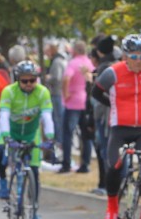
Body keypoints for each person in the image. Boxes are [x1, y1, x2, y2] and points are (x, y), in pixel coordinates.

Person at [92, 34, 141, 219]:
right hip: (119, 128)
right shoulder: (112, 73)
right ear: (125, 56)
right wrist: (112, 103)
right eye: (135, 57)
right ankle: (112, 207)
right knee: (114, 166)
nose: (140, 61)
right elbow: (95, 92)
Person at [0, 61, 54, 219]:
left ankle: (34, 212)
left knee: (34, 172)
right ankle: (3, 183)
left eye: (32, 80)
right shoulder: (9, 92)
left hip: (30, 133)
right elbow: (4, 116)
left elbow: (47, 117)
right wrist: (6, 137)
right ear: (17, 80)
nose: (29, 84)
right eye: (24, 81)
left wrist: (50, 138)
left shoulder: (43, 93)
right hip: (10, 132)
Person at [89, 35, 117, 195]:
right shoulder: (117, 63)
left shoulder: (104, 68)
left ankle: (109, 186)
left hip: (105, 115)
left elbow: (97, 95)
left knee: (106, 151)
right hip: (114, 114)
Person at [61, 40, 92, 173]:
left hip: (73, 102)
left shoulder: (73, 63)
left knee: (68, 133)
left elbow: (66, 78)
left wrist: (66, 93)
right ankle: (85, 164)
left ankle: (66, 163)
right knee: (86, 135)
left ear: (74, 50)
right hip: (85, 101)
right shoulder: (89, 62)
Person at [44, 41, 67, 162]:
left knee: (57, 121)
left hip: (57, 93)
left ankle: (58, 147)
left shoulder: (57, 62)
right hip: (57, 93)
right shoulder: (58, 60)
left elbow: (57, 78)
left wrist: (49, 78)